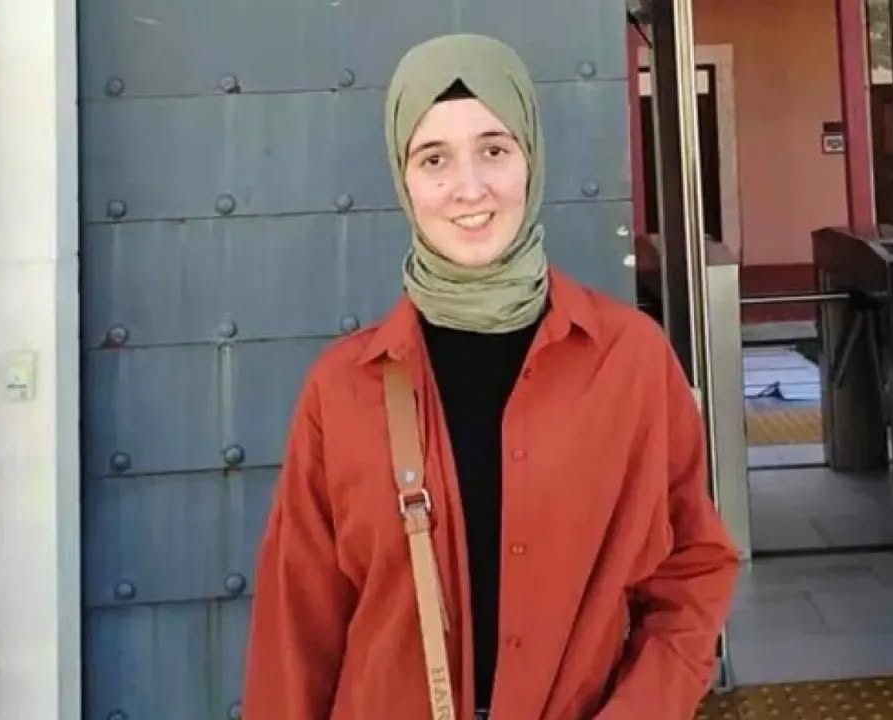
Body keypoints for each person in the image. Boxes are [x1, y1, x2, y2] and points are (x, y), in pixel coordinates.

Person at [242, 33, 740, 720]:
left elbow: (690, 571)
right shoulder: (342, 388)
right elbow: (296, 630)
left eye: (494, 150)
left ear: (530, 158)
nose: (469, 188)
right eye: (434, 158)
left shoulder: (629, 358)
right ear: (404, 179)